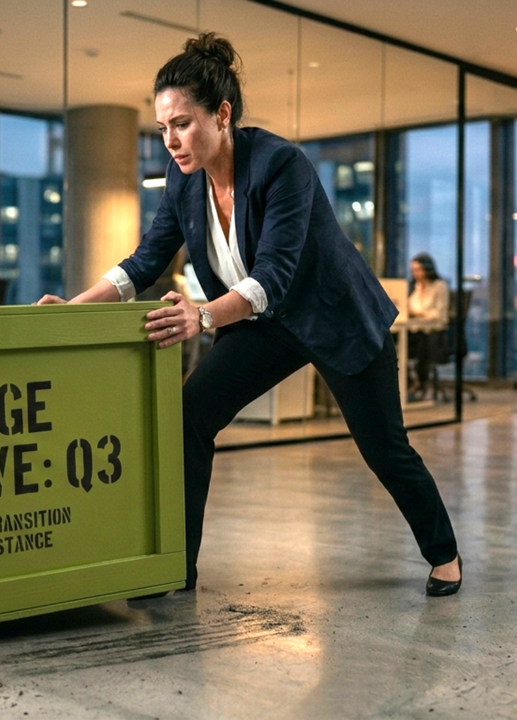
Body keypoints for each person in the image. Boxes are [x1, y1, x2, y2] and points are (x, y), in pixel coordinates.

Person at [39, 33, 462, 597]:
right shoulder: (183, 181)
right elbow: (144, 261)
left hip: (333, 318)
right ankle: (176, 568)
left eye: (183, 123)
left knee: (384, 448)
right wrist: (75, 308)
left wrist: (203, 318)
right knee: (191, 415)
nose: (171, 140)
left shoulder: (282, 164)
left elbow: (274, 276)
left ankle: (445, 554)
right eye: (163, 127)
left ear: (222, 114)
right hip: (264, 326)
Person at [407, 253, 450, 399]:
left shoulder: (440, 286)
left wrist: (419, 313)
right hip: (416, 328)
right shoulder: (416, 287)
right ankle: (410, 382)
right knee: (394, 342)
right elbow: (410, 306)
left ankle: (421, 381)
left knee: (421, 344)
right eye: (413, 270)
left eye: (418, 270)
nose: (415, 274)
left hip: (434, 331)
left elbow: (439, 313)